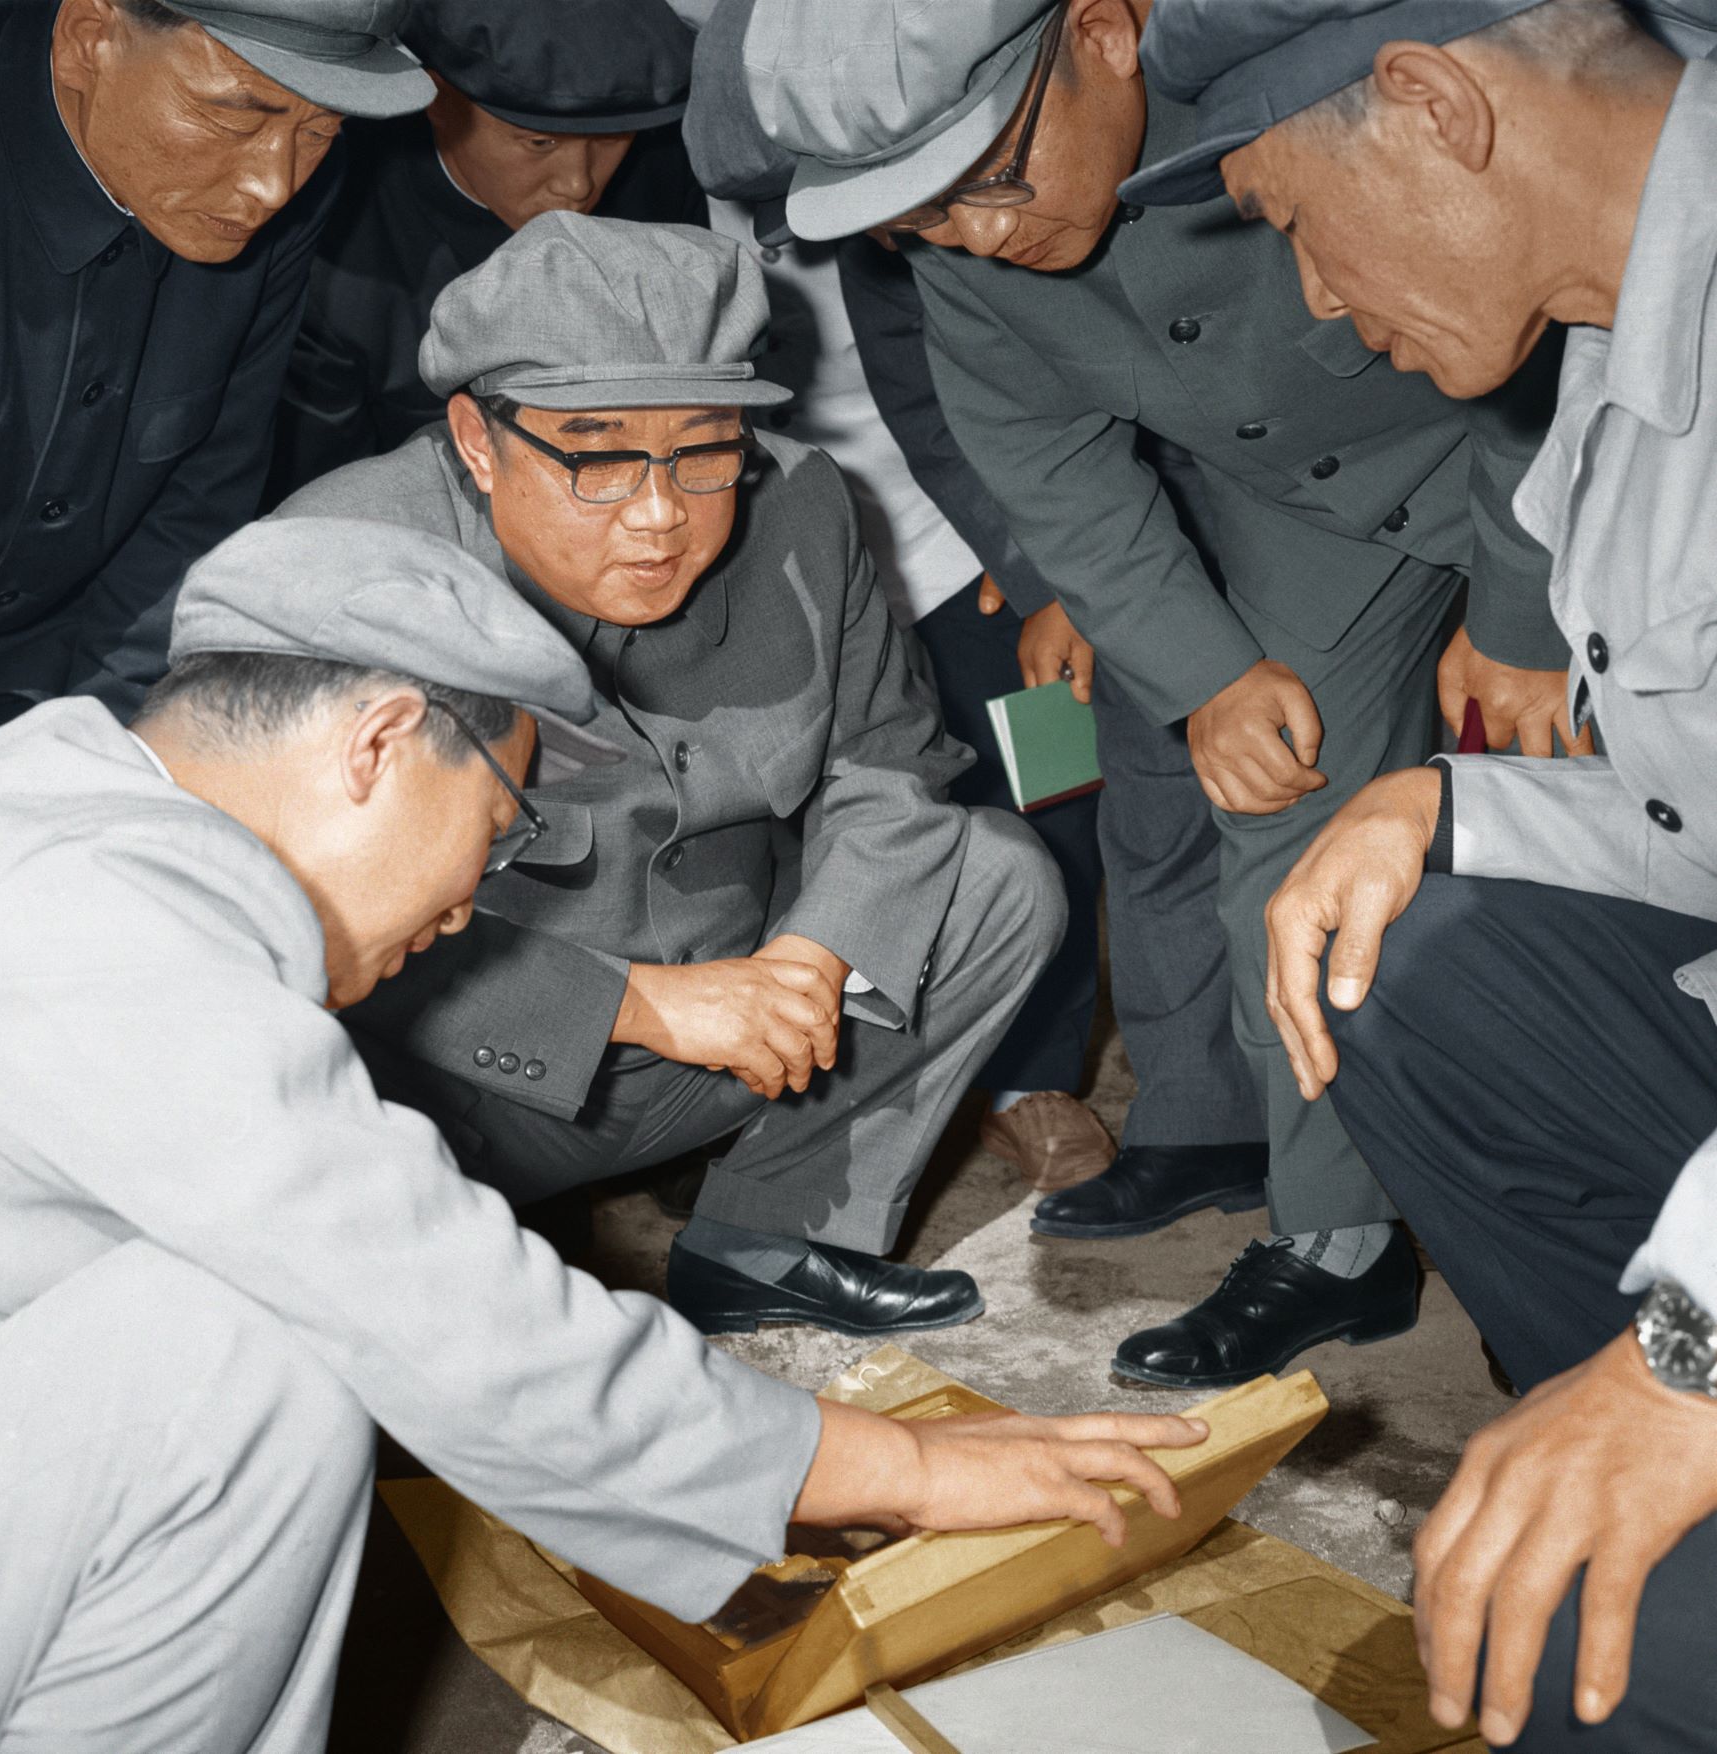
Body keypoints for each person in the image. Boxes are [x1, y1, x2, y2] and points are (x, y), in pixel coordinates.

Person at [0, 515, 1209, 1753]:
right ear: (379, 744)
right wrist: (901, 1468)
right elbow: (432, 1302)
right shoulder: (98, 919)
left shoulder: (30, 801)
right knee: (243, 1348)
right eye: (496, 827)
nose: (468, 903)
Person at [710, 0, 1574, 1389]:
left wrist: (1523, 610)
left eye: (988, 179)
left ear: (1106, 32)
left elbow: (1554, 318)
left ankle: (1633, 1264)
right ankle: (1340, 1240)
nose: (973, 235)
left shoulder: (1306, 79)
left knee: (1638, 824)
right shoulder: (967, 242)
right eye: (918, 221)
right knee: (1282, 844)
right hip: (1313, 520)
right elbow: (1050, 465)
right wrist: (1210, 674)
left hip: (1559, 455)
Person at [1130, 0, 1717, 1747]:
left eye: (1297, 220)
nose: (1313, 296)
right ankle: (1608, 1444)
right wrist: (1443, 801)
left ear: (1433, 103)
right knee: (1403, 936)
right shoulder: (1621, 331)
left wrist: (1688, 1357)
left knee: (1568, 1633)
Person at [279, 213, 1067, 1339]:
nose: (660, 516)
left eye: (705, 451)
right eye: (597, 458)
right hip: (462, 1095)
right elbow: (302, 927)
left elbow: (890, 760)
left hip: (750, 1032)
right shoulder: (342, 570)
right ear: (477, 441)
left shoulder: (802, 502)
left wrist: (808, 961)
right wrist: (646, 1006)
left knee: (993, 877)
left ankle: (769, 1236)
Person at [700, 191, 1118, 1192]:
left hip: (957, 543)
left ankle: (1032, 1076)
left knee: (1051, 796)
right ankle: (750, 1094)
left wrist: (1036, 558)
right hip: (750, 560)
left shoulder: (914, 188)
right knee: (767, 828)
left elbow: (1044, 370)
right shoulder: (649, 175)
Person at [0, 0, 436, 769]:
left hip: (45, 698)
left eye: (322, 131)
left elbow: (199, 502)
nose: (273, 185)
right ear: (89, 38)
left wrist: (107, 763)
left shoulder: (279, 198)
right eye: (233, 116)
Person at [267, 0, 710, 500]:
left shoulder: (662, 173)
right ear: (439, 101)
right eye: (540, 143)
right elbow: (331, 497)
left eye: (612, 139)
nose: (578, 183)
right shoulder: (332, 243)